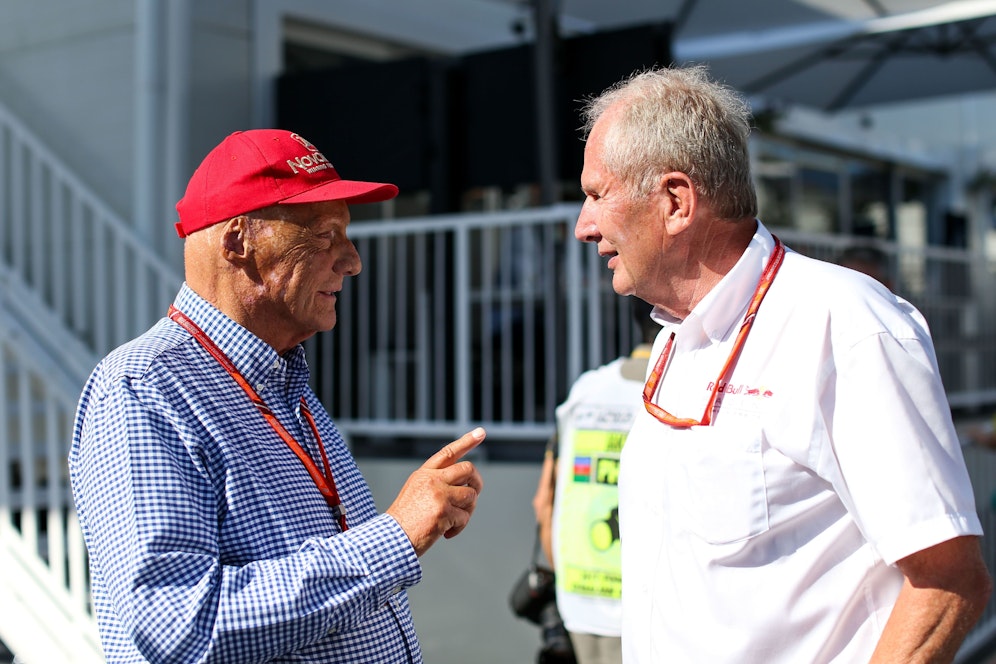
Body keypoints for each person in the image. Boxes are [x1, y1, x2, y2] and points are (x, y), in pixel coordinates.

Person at [574, 65, 991, 663]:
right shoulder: (676, 338)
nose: (583, 227)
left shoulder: (844, 323)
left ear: (675, 202)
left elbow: (948, 580)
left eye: (596, 195)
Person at [69, 129, 485, 663]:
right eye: (325, 235)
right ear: (237, 242)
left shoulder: (280, 379)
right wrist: (395, 537)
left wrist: (401, 530)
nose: (352, 260)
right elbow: (178, 628)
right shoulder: (144, 388)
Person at [532, 298, 656, 664]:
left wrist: (566, 576)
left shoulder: (586, 389)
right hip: (649, 604)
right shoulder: (678, 393)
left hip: (579, 594)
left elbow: (544, 501)